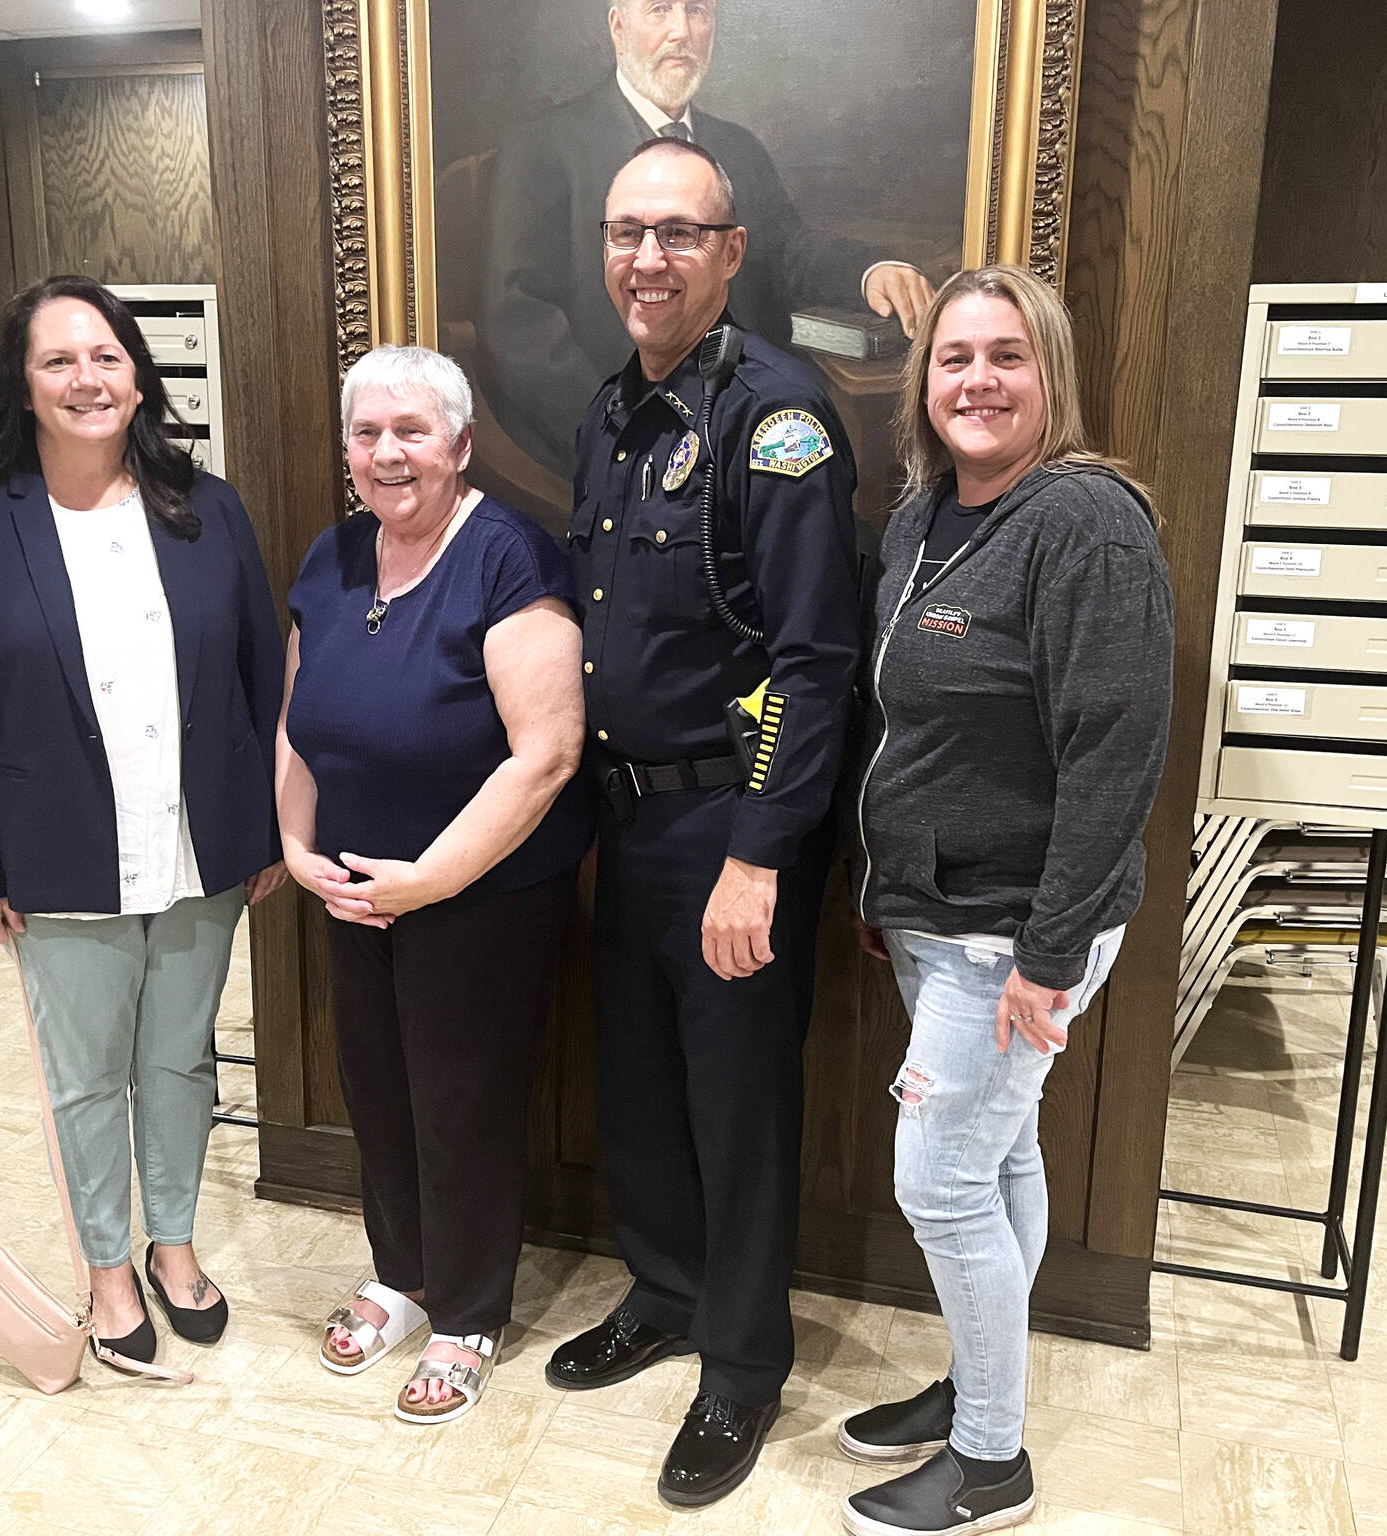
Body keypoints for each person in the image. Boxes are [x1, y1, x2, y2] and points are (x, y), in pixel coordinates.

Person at [543, 137, 859, 1506]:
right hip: (628, 818)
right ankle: (665, 1292)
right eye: (627, 232)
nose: (648, 258)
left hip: (730, 824)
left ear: (731, 253)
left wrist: (756, 852)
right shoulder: (611, 412)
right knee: (646, 1087)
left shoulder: (776, 418)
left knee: (737, 1107)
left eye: (679, 233)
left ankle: (740, 1366)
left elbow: (809, 667)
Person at [834, 265, 1174, 1536]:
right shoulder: (926, 519)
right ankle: (984, 1377)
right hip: (934, 914)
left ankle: (990, 1463)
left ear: (1050, 378)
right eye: (951, 358)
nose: (974, 380)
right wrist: (887, 888)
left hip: (1012, 930)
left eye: (1004, 357)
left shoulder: (1083, 523)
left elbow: (1113, 752)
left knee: (939, 1183)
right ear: (920, 385)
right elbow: (910, 730)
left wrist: (1048, 950)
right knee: (1000, 1154)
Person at [0, 273, 288, 1369]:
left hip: (196, 845)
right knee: (83, 1076)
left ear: (138, 373)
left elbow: (262, 680)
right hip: (54, 854)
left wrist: (256, 831)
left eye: (106, 355)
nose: (87, 378)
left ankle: (174, 1245)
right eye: (59, 360)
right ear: (21, 386)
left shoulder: (206, 509)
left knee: (178, 1063)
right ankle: (107, 1267)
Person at [280, 344, 590, 1425]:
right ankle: (401, 1273)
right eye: (367, 433)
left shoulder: (509, 559)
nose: (387, 452)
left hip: (479, 893)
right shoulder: (331, 558)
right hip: (355, 888)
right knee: (374, 1088)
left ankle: (465, 1311)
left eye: (412, 431)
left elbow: (545, 753)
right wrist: (295, 842)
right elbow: (298, 718)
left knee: (460, 1103)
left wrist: (431, 879)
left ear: (459, 445)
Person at [479, 0, 936, 477]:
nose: (681, 30)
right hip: (620, 444)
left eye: (697, 11)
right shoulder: (545, 147)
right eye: (660, 10)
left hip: (744, 437)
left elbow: (788, 251)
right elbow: (517, 325)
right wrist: (619, 435)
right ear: (618, 25)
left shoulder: (738, 147)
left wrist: (870, 273)